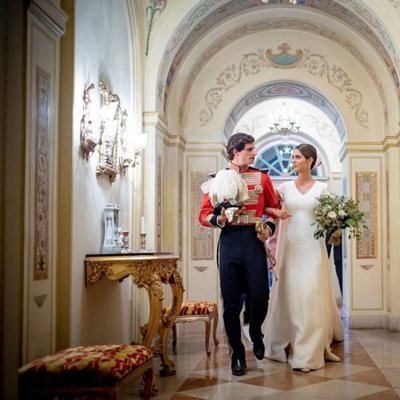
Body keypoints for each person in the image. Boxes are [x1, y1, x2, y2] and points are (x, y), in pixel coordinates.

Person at [198, 133, 280, 376]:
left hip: (254, 240)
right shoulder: (216, 179)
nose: (254, 153)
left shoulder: (263, 177)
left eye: (254, 149)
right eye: (250, 149)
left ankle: (255, 331)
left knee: (260, 295)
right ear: (235, 151)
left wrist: (269, 229)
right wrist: (220, 219)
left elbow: (273, 210)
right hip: (230, 241)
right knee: (231, 302)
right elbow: (203, 215)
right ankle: (237, 353)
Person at [263, 143, 344, 373]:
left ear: (309, 160)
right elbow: (268, 206)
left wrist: (336, 226)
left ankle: (308, 351)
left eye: (297, 157)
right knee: (292, 295)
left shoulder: (322, 189)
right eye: (292, 157)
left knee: (310, 295)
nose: (293, 160)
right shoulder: (285, 188)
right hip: (290, 249)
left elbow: (335, 217)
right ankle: (288, 341)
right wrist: (276, 212)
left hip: (313, 249)